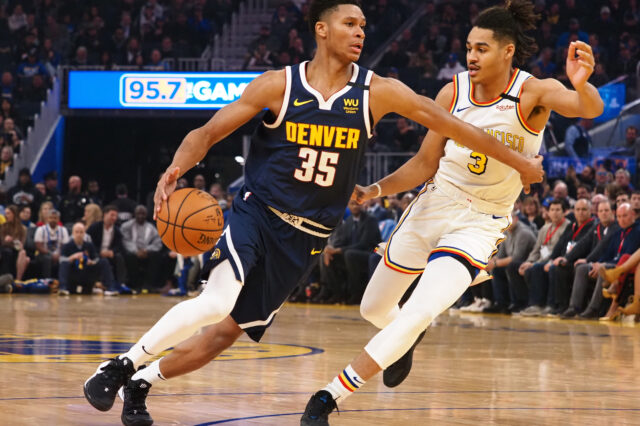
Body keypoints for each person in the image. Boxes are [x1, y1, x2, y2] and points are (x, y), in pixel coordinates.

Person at [83, 2, 543, 425]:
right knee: (217, 301)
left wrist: (521, 162)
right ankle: (120, 366)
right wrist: (175, 168)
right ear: (321, 29)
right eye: (350, 23)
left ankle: (143, 382)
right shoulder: (278, 85)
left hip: (305, 236)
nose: (360, 32)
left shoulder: (376, 91)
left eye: (364, 25)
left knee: (224, 334)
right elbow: (206, 133)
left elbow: (452, 125)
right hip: (257, 213)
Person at [300, 1, 603, 423]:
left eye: (481, 49)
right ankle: (406, 336)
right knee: (374, 309)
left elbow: (588, 109)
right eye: (468, 48)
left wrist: (582, 83)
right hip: (433, 203)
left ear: (507, 51)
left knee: (421, 308)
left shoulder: (532, 91)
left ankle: (328, 397)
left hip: (481, 221)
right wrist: (375, 189)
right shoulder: (452, 91)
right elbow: (425, 163)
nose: (471, 57)